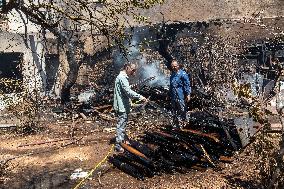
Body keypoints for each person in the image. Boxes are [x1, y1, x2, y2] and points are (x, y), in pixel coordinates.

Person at [113, 62, 147, 153]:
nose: (134, 73)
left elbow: (125, 89)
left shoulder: (121, 77)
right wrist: (140, 97)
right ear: (127, 67)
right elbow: (128, 92)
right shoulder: (122, 78)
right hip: (122, 106)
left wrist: (130, 87)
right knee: (121, 126)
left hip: (122, 105)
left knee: (122, 124)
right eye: (133, 70)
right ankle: (118, 145)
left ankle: (123, 140)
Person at [169, 59, 191, 129]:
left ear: (178, 66)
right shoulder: (172, 75)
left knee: (182, 109)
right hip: (173, 96)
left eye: (175, 66)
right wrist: (168, 94)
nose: (174, 67)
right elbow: (171, 85)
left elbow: (187, 84)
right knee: (174, 110)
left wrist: (188, 94)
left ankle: (184, 124)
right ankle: (176, 125)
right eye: (172, 66)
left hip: (180, 95)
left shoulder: (183, 74)